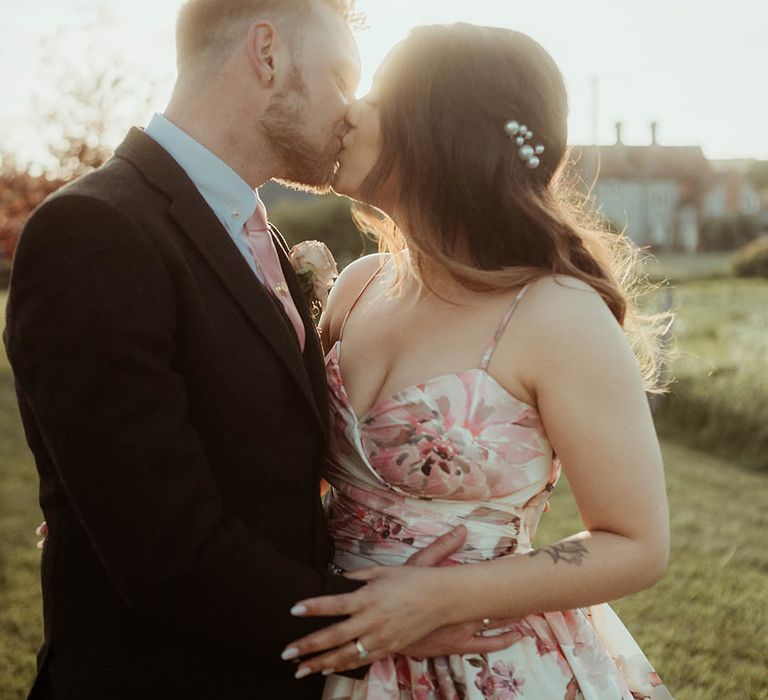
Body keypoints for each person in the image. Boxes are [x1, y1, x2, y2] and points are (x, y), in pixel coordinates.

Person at [7, 4, 522, 698]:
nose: (353, 110)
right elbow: (168, 556)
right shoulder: (93, 232)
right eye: (342, 78)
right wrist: (382, 625)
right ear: (267, 53)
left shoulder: (251, 232)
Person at [281, 24, 674, 699]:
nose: (349, 111)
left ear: (435, 128)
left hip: (483, 664)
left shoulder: (556, 315)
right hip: (332, 651)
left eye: (374, 94)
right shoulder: (359, 285)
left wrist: (440, 600)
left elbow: (636, 542)